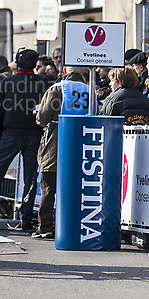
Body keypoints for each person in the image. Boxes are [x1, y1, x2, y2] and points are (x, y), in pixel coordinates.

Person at [0, 48, 48, 231]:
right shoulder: (42, 83)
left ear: (18, 62)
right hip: (34, 133)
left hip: (11, 133)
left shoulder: (8, 83)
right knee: (30, 177)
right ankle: (26, 219)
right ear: (34, 64)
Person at [33, 66, 90, 239]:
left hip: (56, 142)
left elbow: (42, 118)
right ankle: (73, 225)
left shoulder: (57, 88)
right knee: (76, 187)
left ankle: (46, 227)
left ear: (65, 70)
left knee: (48, 187)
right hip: (83, 143)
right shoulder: (90, 90)